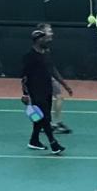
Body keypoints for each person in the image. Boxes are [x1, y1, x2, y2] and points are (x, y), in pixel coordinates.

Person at [20, 24, 69, 154]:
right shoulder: (29, 56)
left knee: (40, 118)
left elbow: (52, 69)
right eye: (44, 38)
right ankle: (54, 144)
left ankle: (34, 141)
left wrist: (64, 84)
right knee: (45, 118)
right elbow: (24, 77)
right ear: (38, 40)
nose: (47, 39)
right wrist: (25, 94)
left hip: (47, 89)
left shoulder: (46, 53)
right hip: (35, 91)